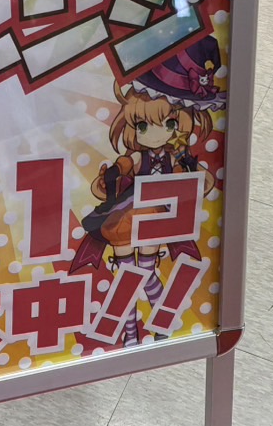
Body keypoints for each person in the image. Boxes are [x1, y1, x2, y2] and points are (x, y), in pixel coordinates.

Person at [71, 39, 224, 345]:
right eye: (142, 126)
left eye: (169, 124)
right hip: (126, 220)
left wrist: (189, 170)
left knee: (141, 273)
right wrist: (110, 177)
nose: (155, 133)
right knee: (128, 276)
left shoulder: (177, 159)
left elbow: (202, 182)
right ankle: (135, 333)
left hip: (157, 220)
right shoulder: (138, 158)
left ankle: (160, 324)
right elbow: (118, 171)